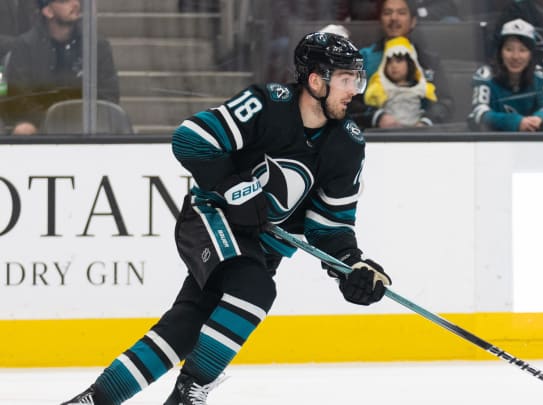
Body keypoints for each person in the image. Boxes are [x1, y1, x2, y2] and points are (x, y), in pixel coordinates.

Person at [61, 31, 391, 405]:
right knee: (255, 290)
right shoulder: (266, 105)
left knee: (186, 326)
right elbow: (191, 137)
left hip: (261, 246)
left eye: (357, 79)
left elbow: (329, 225)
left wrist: (350, 265)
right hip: (211, 218)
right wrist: (235, 189)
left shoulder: (347, 144)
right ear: (316, 80)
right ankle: (188, 392)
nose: (355, 90)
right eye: (347, 80)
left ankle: (93, 400)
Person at [1, 0, 119, 135]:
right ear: (48, 11)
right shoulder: (24, 46)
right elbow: (18, 98)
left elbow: (109, 95)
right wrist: (51, 121)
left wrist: (78, 120)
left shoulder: (97, 45)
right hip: (41, 124)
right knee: (23, 130)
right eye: (64, 1)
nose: (75, 4)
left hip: (86, 125)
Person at [348, 0, 453, 129]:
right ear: (380, 19)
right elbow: (349, 100)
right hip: (374, 136)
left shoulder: (429, 61)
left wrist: (425, 123)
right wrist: (377, 117)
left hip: (421, 137)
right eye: (387, 12)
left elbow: (444, 103)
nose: (394, 18)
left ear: (413, 21)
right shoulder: (364, 58)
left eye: (401, 13)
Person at [467, 18, 543, 132]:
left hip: (534, 141)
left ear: (531, 55)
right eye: (509, 49)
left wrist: (539, 119)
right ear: (500, 52)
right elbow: (479, 112)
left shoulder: (541, 76)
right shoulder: (485, 76)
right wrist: (514, 122)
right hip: (493, 142)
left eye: (523, 50)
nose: (515, 57)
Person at [363, 35, 438, 126]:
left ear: (410, 63)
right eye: (389, 61)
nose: (394, 66)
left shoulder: (421, 88)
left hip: (417, 132)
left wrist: (424, 123)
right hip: (387, 133)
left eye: (399, 61)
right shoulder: (381, 89)